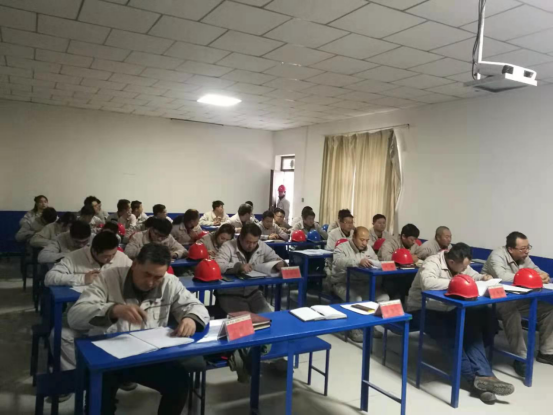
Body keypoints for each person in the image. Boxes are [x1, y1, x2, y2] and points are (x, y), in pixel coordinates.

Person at [68, 244, 209, 414]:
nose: (150, 282)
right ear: (135, 264)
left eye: (157, 277)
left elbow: (196, 306)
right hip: (108, 358)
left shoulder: (169, 281)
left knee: (179, 383)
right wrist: (113, 310)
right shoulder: (109, 278)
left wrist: (190, 318)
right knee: (98, 402)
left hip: (148, 357)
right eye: (146, 274)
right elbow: (75, 316)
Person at [408, 243, 514, 404]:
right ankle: (476, 382)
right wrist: (457, 282)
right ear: (451, 262)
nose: (465, 269)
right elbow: (428, 283)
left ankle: (486, 376)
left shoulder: (461, 263)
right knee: (451, 337)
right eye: (463, 267)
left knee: (472, 332)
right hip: (422, 310)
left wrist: (483, 278)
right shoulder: (432, 262)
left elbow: (473, 275)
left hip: (449, 308)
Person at [482, 232, 553, 375]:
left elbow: (540, 272)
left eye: (528, 247)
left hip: (516, 298)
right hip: (493, 298)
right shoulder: (497, 255)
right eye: (522, 248)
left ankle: (546, 352)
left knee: (549, 310)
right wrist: (532, 277)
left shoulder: (524, 257)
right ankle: (520, 357)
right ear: (510, 249)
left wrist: (543, 276)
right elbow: (502, 276)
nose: (526, 251)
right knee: (511, 312)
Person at [215, 223, 285, 313]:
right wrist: (238, 266)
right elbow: (218, 265)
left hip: (253, 293)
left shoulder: (261, 245)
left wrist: (279, 264)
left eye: (255, 242)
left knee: (267, 318)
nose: (251, 246)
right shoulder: (228, 246)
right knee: (246, 319)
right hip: (230, 294)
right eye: (248, 242)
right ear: (240, 238)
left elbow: (275, 258)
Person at [331, 227, 384, 342]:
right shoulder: (342, 247)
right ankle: (354, 328)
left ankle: (370, 325)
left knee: (383, 297)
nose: (364, 243)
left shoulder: (369, 249)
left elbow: (376, 262)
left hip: (362, 283)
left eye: (367, 240)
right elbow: (338, 261)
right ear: (353, 237)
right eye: (362, 240)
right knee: (357, 298)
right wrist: (357, 262)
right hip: (343, 283)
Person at [45, 231, 130, 287]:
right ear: (94, 251)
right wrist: (83, 279)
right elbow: (50, 278)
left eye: (113, 254)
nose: (111, 259)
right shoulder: (74, 257)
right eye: (106, 256)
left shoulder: (121, 257)